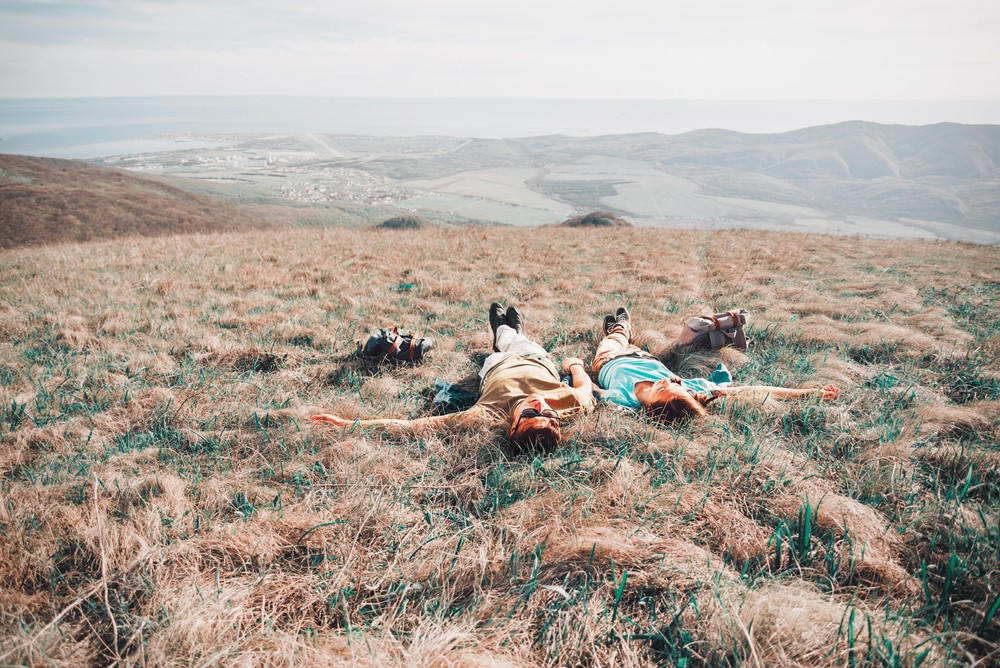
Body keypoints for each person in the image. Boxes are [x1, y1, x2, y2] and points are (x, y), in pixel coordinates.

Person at [313, 303, 596, 451]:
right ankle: (511, 331)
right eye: (548, 412)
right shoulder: (570, 404)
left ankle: (504, 331)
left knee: (504, 341)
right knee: (520, 341)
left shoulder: (486, 414)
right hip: (536, 358)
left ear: (512, 428)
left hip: (496, 365)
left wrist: (349, 424)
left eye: (532, 413)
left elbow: (410, 427)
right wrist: (575, 365)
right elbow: (584, 388)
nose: (540, 404)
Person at [592, 307, 838, 423]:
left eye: (664, 388)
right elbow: (754, 391)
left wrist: (574, 371)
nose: (668, 381)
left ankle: (620, 328)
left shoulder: (623, 398)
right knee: (646, 343)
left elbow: (588, 391)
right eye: (674, 384)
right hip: (645, 358)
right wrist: (809, 393)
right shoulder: (689, 389)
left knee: (615, 339)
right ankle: (622, 330)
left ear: (652, 408)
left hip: (609, 360)